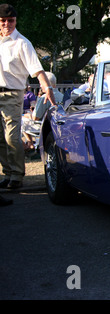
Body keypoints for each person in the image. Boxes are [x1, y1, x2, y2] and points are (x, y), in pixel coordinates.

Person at [0, 4, 56, 190]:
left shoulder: (22, 43)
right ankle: (8, 173)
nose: (7, 24)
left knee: (11, 136)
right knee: (0, 137)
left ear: (16, 21)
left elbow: (37, 70)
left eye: (11, 21)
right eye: (3, 21)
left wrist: (47, 88)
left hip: (12, 94)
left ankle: (16, 174)